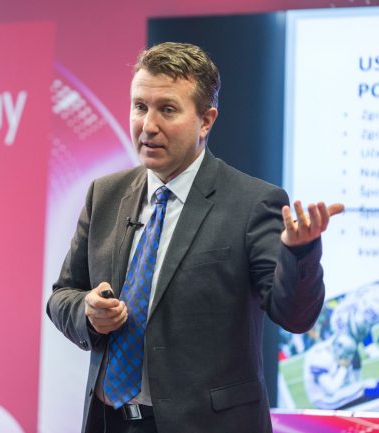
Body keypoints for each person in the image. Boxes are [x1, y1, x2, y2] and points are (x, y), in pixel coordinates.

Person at [46, 42, 344, 433]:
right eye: (140, 106)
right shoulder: (105, 195)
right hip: (111, 422)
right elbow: (62, 296)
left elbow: (295, 315)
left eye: (167, 109)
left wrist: (299, 253)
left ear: (206, 121)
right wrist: (86, 310)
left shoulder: (253, 203)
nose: (148, 125)